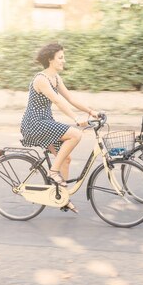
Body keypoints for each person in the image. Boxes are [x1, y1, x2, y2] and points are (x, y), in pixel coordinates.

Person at [20, 42, 99, 196]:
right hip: (35, 123)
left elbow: (70, 98)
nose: (64, 60)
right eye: (61, 57)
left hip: (45, 122)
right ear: (51, 59)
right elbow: (57, 100)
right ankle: (53, 172)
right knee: (76, 134)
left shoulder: (55, 78)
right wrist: (76, 117)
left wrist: (91, 111)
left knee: (66, 159)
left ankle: (62, 198)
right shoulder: (41, 79)